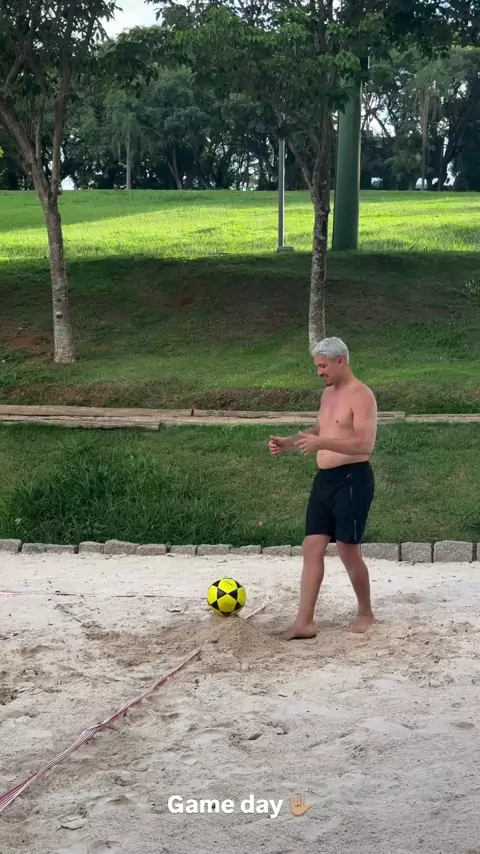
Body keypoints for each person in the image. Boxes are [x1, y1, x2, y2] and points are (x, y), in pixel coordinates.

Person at [268, 337, 377, 639]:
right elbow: (322, 430)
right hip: (324, 480)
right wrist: (289, 442)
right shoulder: (328, 394)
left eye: (323, 366)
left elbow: (364, 444)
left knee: (347, 550)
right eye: (317, 367)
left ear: (340, 361)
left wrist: (321, 443)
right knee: (311, 547)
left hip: (353, 479)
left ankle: (365, 612)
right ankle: (304, 622)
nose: (319, 372)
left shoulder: (362, 395)